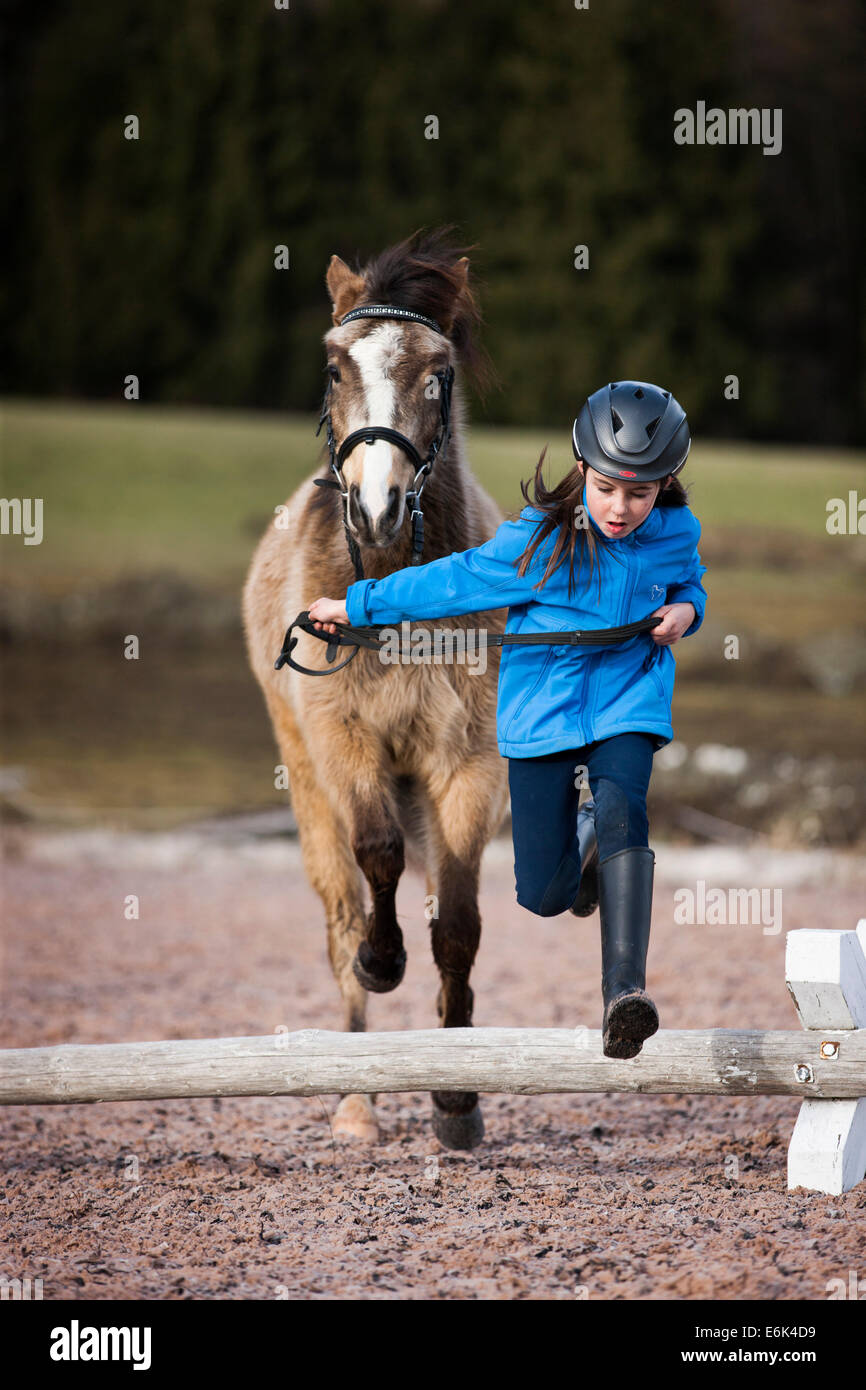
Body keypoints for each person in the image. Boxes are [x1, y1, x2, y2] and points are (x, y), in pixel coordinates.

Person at [308, 381, 708, 1059]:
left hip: (626, 703)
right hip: (542, 718)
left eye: (640, 494)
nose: (621, 508)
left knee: (625, 807)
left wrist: (687, 611)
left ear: (666, 484)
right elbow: (449, 582)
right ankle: (583, 841)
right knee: (545, 893)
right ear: (583, 470)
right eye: (608, 489)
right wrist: (355, 607)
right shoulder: (538, 542)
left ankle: (624, 996)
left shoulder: (674, 533)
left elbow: (688, 580)